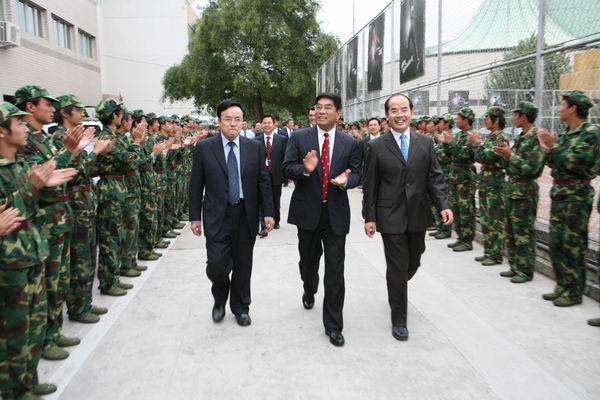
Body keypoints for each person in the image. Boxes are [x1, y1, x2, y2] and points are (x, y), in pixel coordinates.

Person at [0, 101, 77, 399]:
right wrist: (33, 189)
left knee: (33, 323)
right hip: (9, 260)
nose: (24, 127)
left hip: (31, 251)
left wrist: (44, 185)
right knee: (13, 333)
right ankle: (14, 391)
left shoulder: (21, 165)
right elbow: (12, 214)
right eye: (18, 123)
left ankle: (27, 384)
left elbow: (32, 205)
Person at [362, 93, 451, 342]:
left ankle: (398, 281)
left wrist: (443, 204)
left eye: (404, 110)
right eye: (394, 110)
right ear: (387, 116)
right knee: (397, 267)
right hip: (389, 215)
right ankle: (399, 319)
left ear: (411, 112)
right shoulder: (376, 146)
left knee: (414, 259)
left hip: (418, 213)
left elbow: (435, 176)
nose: (399, 115)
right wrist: (369, 217)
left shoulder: (425, 143)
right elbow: (370, 184)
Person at [15, 85, 91, 361]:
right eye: (46, 104)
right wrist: (71, 151)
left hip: (59, 214)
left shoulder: (42, 138)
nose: (51, 108)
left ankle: (53, 330)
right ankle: (45, 339)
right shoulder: (26, 142)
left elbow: (61, 170)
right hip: (45, 219)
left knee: (59, 279)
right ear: (30, 107)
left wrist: (72, 152)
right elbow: (45, 175)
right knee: (47, 283)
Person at [282, 92, 361, 347]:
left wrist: (347, 180)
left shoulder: (350, 143)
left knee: (335, 270)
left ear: (338, 113)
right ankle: (309, 286)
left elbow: (357, 172)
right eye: (318, 107)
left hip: (335, 212)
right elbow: (286, 167)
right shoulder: (299, 137)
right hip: (307, 212)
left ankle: (334, 325)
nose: (322, 111)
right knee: (308, 262)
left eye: (328, 107)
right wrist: (305, 170)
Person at [189, 99, 274, 327]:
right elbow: (196, 184)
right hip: (217, 215)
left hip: (246, 214)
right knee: (217, 265)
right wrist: (195, 216)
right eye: (228, 119)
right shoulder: (205, 148)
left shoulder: (254, 147)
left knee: (243, 265)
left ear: (243, 122)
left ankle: (241, 307)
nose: (233, 124)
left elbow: (263, 181)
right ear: (219, 121)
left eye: (237, 119)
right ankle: (220, 298)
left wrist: (268, 213)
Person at [51, 94, 113, 324]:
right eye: (77, 109)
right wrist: (95, 152)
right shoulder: (60, 138)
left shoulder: (75, 136)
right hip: (74, 203)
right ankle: (77, 307)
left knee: (88, 254)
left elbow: (89, 170)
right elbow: (77, 173)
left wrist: (94, 153)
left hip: (85, 201)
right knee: (78, 259)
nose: (82, 113)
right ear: (65, 112)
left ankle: (84, 303)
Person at [538, 91, 599, 307]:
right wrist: (550, 149)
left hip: (577, 195)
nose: (559, 109)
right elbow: (554, 162)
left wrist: (553, 147)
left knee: (573, 244)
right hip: (560, 192)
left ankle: (573, 292)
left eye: (562, 105)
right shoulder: (565, 134)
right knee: (556, 243)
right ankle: (562, 286)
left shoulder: (590, 133)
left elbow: (577, 162)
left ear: (573, 108)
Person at [493, 101, 545, 283]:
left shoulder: (535, 138)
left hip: (525, 190)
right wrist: (506, 156)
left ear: (524, 117)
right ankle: (515, 266)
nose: (513, 118)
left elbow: (533, 169)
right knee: (511, 231)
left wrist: (510, 156)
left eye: (516, 115)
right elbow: (510, 166)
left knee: (524, 233)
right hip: (513, 188)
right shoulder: (522, 137)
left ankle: (525, 270)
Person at [469, 107, 508, 265]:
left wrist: (478, 145)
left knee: (495, 220)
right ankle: (489, 252)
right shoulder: (491, 138)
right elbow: (479, 157)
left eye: (487, 118)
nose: (485, 120)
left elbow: (487, 157)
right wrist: (479, 147)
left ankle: (495, 254)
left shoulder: (501, 139)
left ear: (496, 120)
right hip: (486, 183)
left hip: (495, 184)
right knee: (486, 219)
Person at [439, 108, 477, 252]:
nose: (457, 121)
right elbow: (450, 155)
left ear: (466, 120)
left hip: (465, 178)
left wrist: (449, 144)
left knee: (466, 210)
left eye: (459, 118)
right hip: (455, 176)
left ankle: (467, 241)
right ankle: (461, 237)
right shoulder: (459, 135)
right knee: (456, 209)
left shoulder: (470, 136)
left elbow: (462, 155)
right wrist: (447, 144)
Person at [254, 114, 288, 237]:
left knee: (275, 198)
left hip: (276, 173)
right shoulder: (256, 140)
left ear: (274, 124)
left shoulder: (282, 139)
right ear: (261, 124)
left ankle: (276, 220)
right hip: (262, 174)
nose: (267, 125)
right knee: (262, 198)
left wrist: (286, 174)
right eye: (264, 123)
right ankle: (263, 225)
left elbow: (285, 157)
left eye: (269, 123)